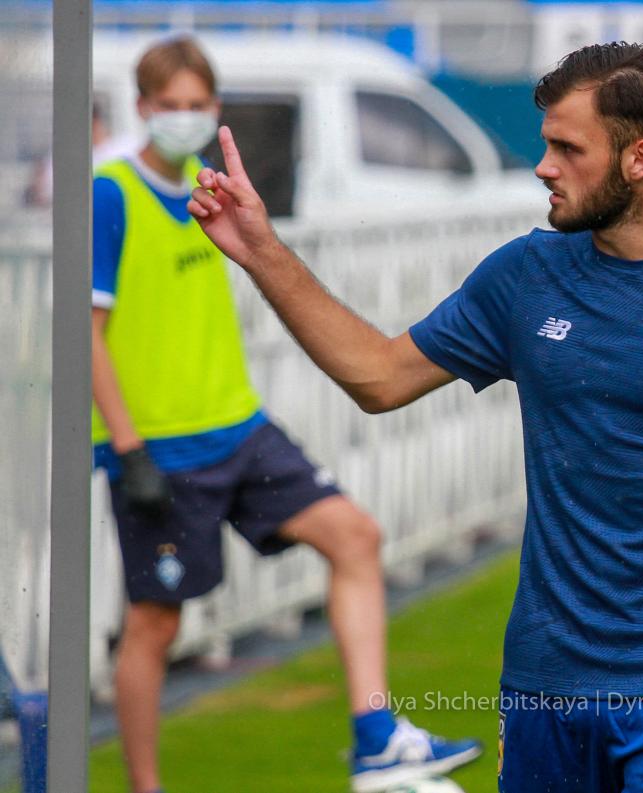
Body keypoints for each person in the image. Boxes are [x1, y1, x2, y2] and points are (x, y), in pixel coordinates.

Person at [188, 42, 643, 791]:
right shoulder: (526, 276)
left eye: (568, 148)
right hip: (543, 691)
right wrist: (262, 252)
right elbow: (379, 377)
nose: (544, 167)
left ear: (640, 159)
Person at [91, 35, 480, 793]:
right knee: (155, 622)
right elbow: (87, 335)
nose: (182, 116)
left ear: (215, 106)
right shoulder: (111, 193)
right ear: (141, 107)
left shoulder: (212, 188)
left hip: (240, 427)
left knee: (355, 535)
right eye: (167, 104)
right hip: (162, 448)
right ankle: (145, 786)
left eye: (195, 103)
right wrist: (128, 448)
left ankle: (376, 739)